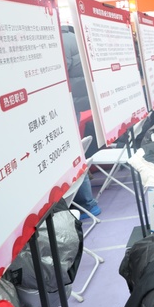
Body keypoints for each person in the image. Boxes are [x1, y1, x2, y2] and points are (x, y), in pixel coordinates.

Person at [61, 25, 101, 217]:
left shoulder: (59, 41)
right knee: (74, 152)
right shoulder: (73, 37)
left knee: (71, 154)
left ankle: (86, 202)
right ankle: (87, 202)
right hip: (76, 102)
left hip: (64, 104)